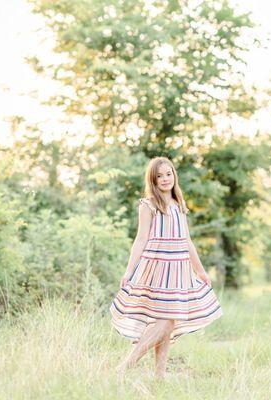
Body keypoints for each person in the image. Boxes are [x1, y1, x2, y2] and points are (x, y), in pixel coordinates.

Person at [109, 156, 224, 379]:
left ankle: (159, 377)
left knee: (168, 323)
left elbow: (187, 240)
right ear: (153, 180)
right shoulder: (148, 204)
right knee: (166, 320)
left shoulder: (179, 203)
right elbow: (140, 239)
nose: (165, 179)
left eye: (168, 174)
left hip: (178, 269)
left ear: (174, 175)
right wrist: (129, 270)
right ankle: (126, 365)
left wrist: (199, 270)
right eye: (159, 176)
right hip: (157, 267)